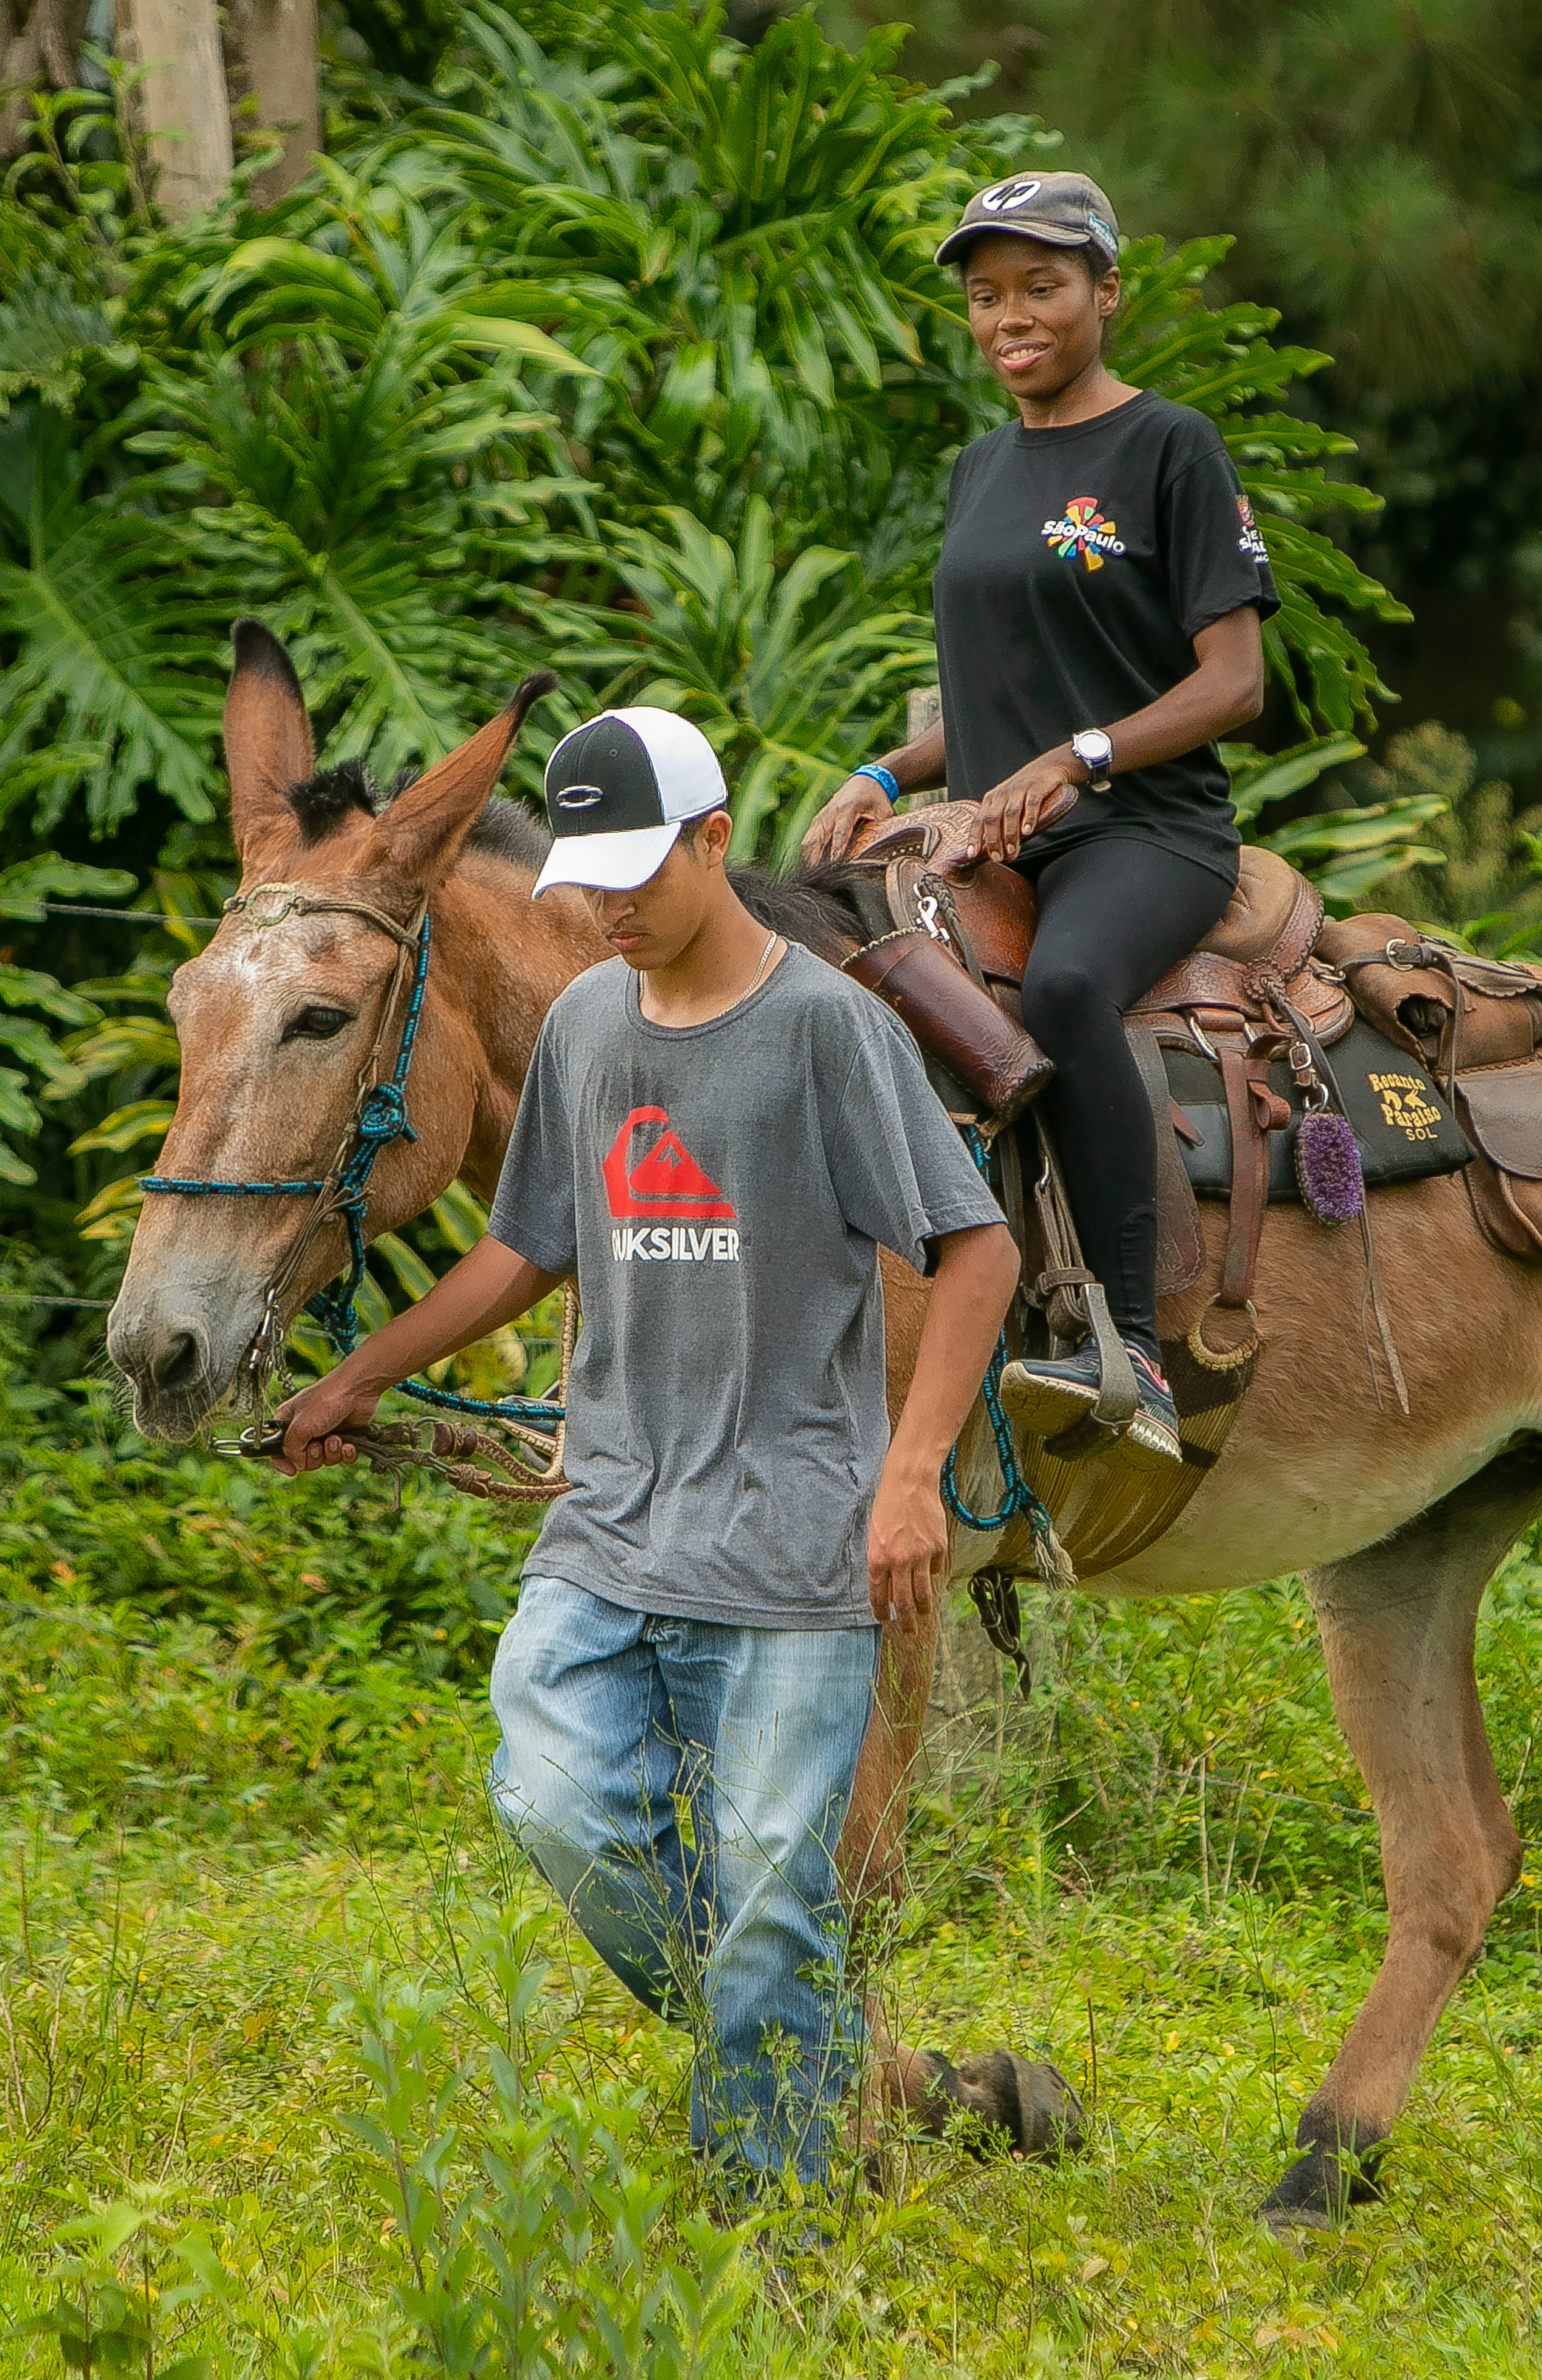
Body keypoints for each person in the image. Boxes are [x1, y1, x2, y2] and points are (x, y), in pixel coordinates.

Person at [273, 704, 1016, 2195]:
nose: (610, 905)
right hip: (612, 1523)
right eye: (589, 878)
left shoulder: (829, 1028)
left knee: (773, 1891)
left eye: (638, 871)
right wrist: (357, 1374)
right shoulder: (590, 1027)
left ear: (715, 841)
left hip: (793, 1542)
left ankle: (776, 2223)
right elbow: (525, 1245)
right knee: (551, 1795)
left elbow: (976, 1247)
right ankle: (804, 2032)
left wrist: (912, 1470)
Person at [801, 169, 1280, 1474]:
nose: (1010, 316)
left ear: (1106, 292)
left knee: (1067, 985)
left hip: (1147, 830)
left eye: (1042, 286)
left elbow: (1234, 682)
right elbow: (996, 700)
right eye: (985, 295)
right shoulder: (979, 469)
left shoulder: (1171, 446)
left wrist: (1082, 759)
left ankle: (1131, 1347)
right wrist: (885, 774)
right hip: (998, 837)